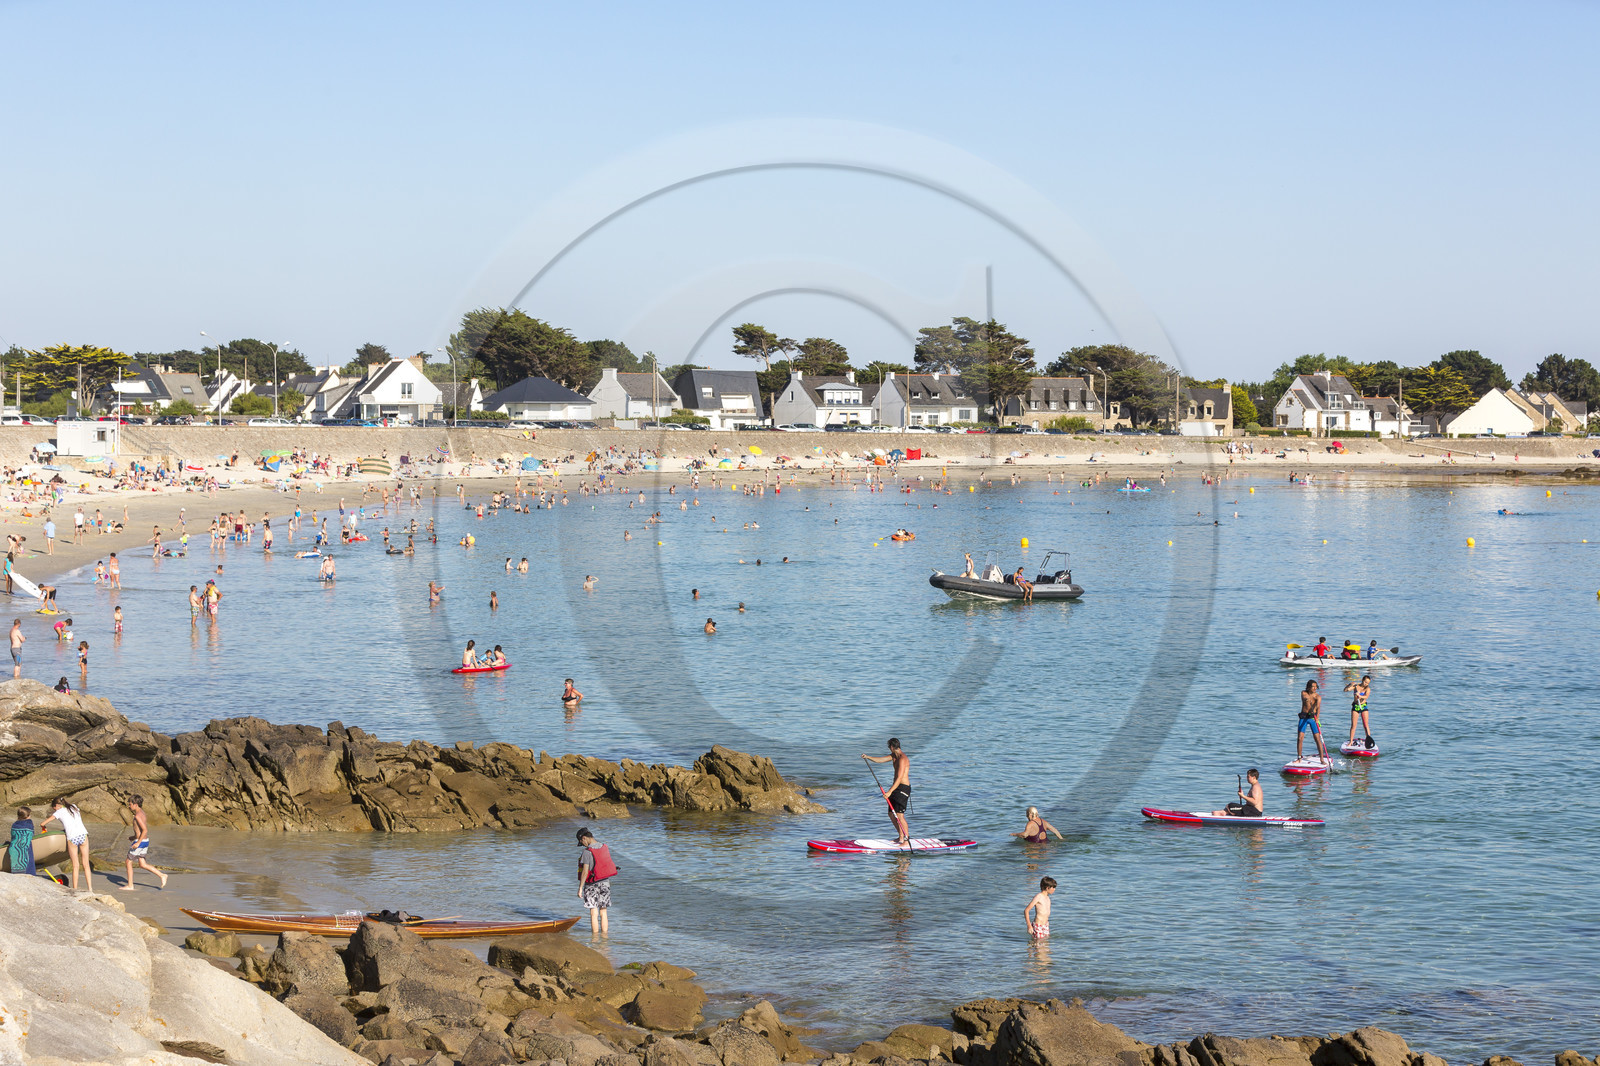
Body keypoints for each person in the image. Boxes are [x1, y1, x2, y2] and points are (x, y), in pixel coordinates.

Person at [862, 738, 911, 845]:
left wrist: (889, 792)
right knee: (891, 814)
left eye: (889, 747)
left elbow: (899, 778)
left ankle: (907, 840)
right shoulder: (894, 756)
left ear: (892, 747)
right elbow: (881, 760)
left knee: (899, 814)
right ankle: (901, 837)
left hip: (903, 788)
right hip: (896, 788)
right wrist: (868, 757)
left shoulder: (903, 759)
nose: (889, 749)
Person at [41, 797, 91, 892]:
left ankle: (75, 889)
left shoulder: (58, 812)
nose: (54, 810)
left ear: (56, 806)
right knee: (86, 864)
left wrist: (44, 827)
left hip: (72, 837)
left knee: (75, 865)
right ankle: (90, 889)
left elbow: (42, 823)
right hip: (83, 835)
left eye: (54, 808)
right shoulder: (74, 807)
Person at [575, 828, 617, 934]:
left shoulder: (587, 852)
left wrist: (580, 888)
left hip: (592, 885)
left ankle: (594, 939)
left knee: (594, 913)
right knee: (603, 912)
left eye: (582, 842)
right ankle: (604, 939)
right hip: (605, 883)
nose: (583, 845)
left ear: (584, 838)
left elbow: (585, 872)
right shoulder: (604, 847)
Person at [121, 795, 167, 890]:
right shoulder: (142, 813)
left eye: (130, 804)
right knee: (142, 864)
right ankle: (162, 875)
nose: (129, 806)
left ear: (136, 804)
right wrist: (133, 837)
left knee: (128, 862)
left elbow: (145, 830)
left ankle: (130, 885)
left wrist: (137, 842)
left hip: (140, 842)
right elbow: (140, 831)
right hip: (145, 841)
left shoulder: (137, 816)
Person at [1296, 680, 1326, 761]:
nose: (1315, 688)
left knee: (1317, 738)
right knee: (1300, 738)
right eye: (1313, 686)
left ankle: (1322, 759)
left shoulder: (1318, 697)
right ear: (1308, 687)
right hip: (1303, 717)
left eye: (1316, 686)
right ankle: (1299, 758)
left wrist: (1318, 718)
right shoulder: (1303, 693)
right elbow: (1304, 697)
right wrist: (1307, 700)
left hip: (1313, 718)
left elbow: (1318, 708)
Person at [1344, 675, 1375, 747]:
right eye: (1365, 682)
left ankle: (1368, 740)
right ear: (1362, 680)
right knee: (1353, 725)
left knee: (1366, 725)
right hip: (1356, 706)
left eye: (1367, 683)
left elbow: (1366, 696)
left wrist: (1360, 696)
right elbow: (1345, 690)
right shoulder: (1356, 686)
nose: (1366, 684)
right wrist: (1349, 685)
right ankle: (1351, 741)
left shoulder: (1368, 689)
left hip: (1363, 706)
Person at [8, 806, 36, 876]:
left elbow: (13, 836)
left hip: (14, 848)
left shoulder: (14, 825)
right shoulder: (29, 824)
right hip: (25, 849)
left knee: (17, 874)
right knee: (28, 869)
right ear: (27, 816)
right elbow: (31, 835)